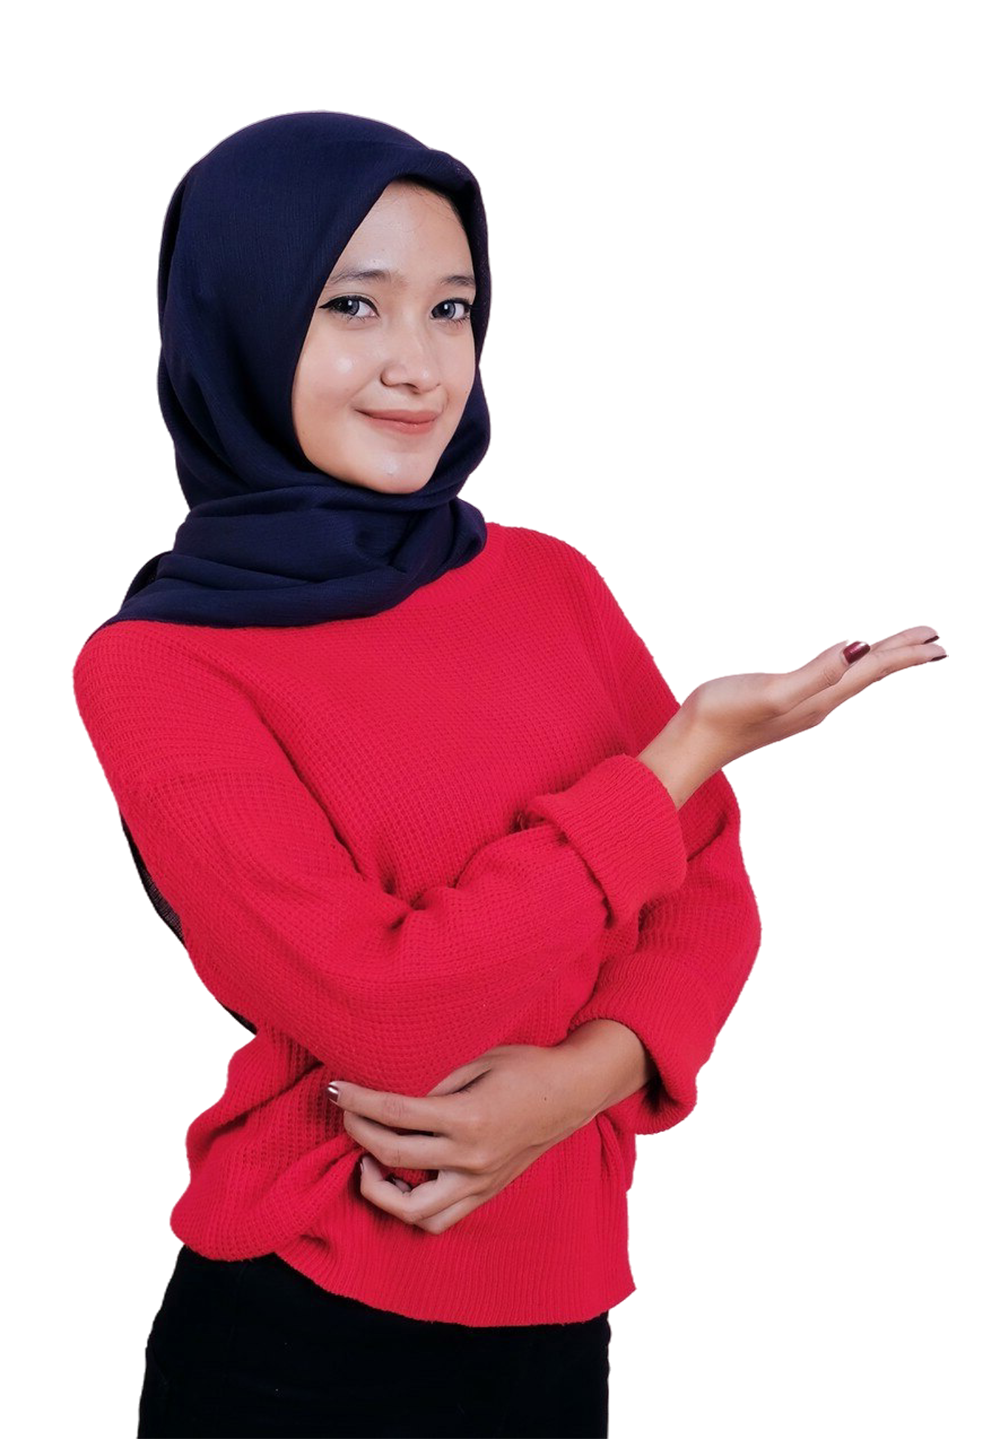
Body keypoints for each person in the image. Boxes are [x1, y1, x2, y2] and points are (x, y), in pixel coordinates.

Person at [71, 112, 948, 1438]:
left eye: (452, 306)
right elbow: (384, 1005)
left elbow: (708, 884)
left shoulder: (542, 582)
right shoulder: (162, 665)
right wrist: (685, 753)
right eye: (353, 305)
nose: (419, 365)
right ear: (240, 323)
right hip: (306, 1331)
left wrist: (585, 1078)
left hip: (558, 1309)